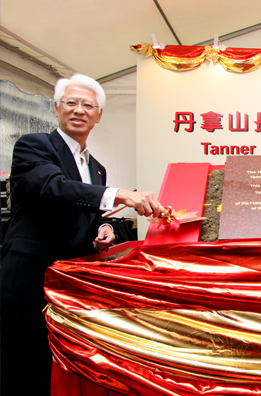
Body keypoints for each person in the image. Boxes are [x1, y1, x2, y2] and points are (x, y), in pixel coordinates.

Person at [0, 74, 165, 396]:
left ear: (99, 114)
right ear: (57, 108)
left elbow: (85, 212)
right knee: (21, 365)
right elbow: (52, 188)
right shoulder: (35, 145)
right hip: (28, 277)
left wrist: (102, 228)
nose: (79, 110)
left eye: (88, 105)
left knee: (61, 367)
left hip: (69, 281)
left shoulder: (97, 167)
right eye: (71, 102)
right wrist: (120, 194)